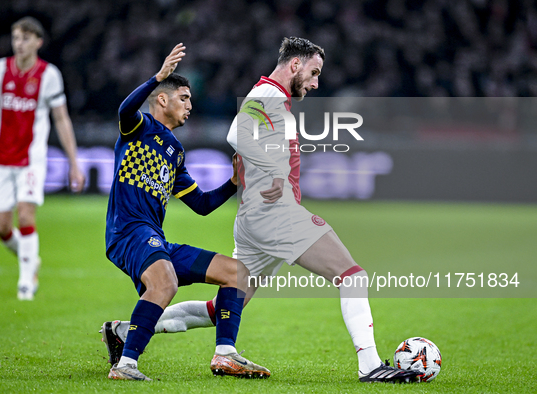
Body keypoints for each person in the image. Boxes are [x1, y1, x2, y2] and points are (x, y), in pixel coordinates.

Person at [102, 37, 423, 383]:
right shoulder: (267, 95)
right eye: (314, 73)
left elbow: (203, 201)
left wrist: (236, 181)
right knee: (352, 275)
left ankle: (125, 332)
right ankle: (371, 366)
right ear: (295, 65)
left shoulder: (194, 141)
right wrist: (270, 170)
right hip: (273, 214)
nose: (316, 83)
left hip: (254, 218)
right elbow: (237, 134)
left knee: (223, 304)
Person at [102, 43, 269, 381]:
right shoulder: (139, 128)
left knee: (237, 273)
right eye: (183, 98)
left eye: (191, 99)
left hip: (154, 238)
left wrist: (233, 183)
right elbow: (124, 109)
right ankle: (126, 365)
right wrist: (156, 78)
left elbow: (202, 205)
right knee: (165, 283)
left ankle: (225, 353)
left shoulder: (175, 151)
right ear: (162, 99)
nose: (190, 105)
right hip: (128, 232)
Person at [0, 17, 85, 301]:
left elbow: (61, 119)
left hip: (31, 159)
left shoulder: (48, 75)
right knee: (2, 227)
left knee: (26, 214)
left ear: (38, 42)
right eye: (16, 38)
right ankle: (31, 259)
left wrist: (74, 163)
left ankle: (26, 282)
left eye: (26, 38)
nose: (19, 43)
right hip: (0, 159)